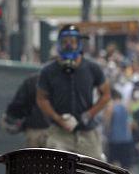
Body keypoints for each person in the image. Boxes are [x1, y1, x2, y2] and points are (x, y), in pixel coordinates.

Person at [36, 25, 111, 158]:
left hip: (86, 132)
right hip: (59, 132)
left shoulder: (92, 68)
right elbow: (41, 98)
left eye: (73, 41)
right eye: (65, 42)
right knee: (54, 170)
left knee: (94, 171)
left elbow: (106, 95)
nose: (69, 45)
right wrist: (57, 118)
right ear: (59, 44)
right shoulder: (48, 71)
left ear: (79, 43)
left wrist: (89, 114)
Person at [4, 73, 50, 149]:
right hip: (56, 132)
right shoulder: (62, 80)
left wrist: (12, 116)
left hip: (34, 130)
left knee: (33, 159)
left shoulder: (32, 81)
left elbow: (18, 105)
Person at [104, 88, 134, 168]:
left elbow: (107, 123)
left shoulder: (111, 107)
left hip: (114, 139)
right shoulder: (127, 107)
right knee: (125, 165)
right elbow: (130, 123)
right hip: (126, 139)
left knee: (112, 165)